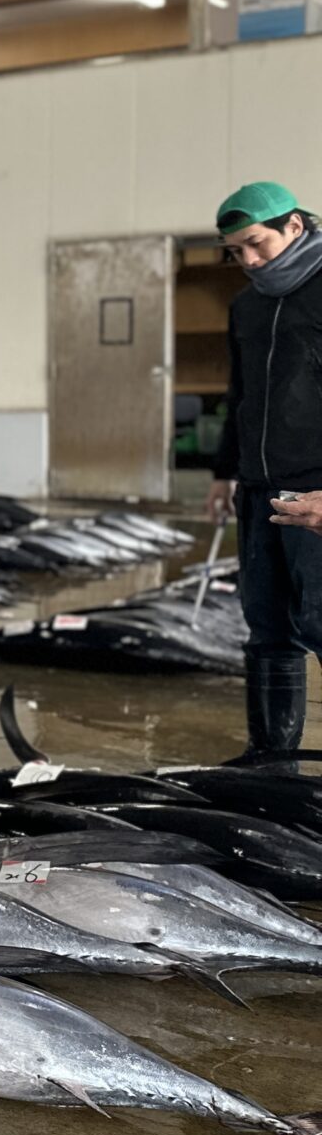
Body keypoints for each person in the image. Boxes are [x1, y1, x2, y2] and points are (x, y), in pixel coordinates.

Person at [205, 181, 322, 765]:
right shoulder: (247, 306)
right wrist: (225, 473)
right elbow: (241, 395)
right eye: (235, 251)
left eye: (256, 244)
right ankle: (271, 763)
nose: (247, 261)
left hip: (318, 491)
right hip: (259, 491)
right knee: (269, 630)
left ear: (294, 226)